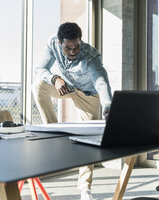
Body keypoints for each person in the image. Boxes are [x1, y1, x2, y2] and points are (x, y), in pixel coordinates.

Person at [32, 22, 112, 200]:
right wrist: (54, 79)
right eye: (68, 48)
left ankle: (85, 189)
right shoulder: (52, 43)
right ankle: (54, 133)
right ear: (60, 43)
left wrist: (107, 106)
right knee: (38, 87)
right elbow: (40, 69)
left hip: (89, 95)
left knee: (87, 142)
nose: (73, 51)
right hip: (67, 86)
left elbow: (101, 82)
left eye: (76, 46)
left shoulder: (90, 55)